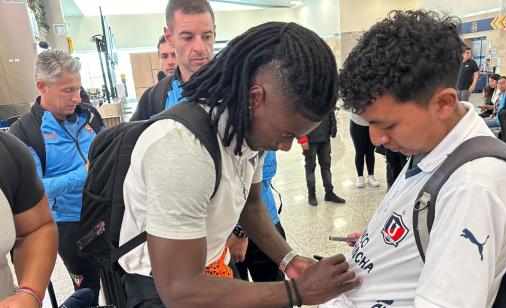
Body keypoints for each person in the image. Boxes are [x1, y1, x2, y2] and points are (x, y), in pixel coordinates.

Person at [119, 21, 361, 307]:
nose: (285, 147)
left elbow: (250, 203)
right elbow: (179, 289)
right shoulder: (182, 149)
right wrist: (297, 293)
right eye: (286, 134)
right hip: (159, 290)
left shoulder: (246, 129)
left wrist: (289, 260)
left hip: (211, 266)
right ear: (254, 98)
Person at [324, 10, 506, 307]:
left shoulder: (473, 187)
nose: (376, 139)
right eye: (370, 125)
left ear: (443, 103)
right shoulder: (432, 143)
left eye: (387, 125)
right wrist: (386, 238)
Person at [9, 50, 104, 306]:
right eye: (67, 90)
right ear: (43, 87)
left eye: (78, 88)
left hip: (106, 211)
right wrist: (83, 174)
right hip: (69, 225)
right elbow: (37, 189)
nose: (76, 97)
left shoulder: (90, 115)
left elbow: (107, 148)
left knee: (123, 275)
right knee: (88, 290)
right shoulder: (26, 133)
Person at [130, 0, 215, 121]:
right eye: (188, 38)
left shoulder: (237, 89)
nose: (200, 48)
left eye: (207, 36)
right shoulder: (155, 98)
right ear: (169, 37)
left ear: (215, 33)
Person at [0, 132, 57, 307]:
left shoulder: (6, 152)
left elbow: (36, 227)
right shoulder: (28, 128)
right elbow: (51, 185)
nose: (77, 101)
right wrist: (82, 173)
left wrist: (30, 293)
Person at [233, 151, 287, 282]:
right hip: (224, 231)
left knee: (275, 292)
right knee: (236, 292)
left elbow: (261, 177)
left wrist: (241, 233)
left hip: (258, 225)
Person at [298, 111, 345, 206]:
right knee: (310, 168)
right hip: (310, 140)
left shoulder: (325, 96)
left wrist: (333, 127)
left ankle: (329, 193)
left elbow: (330, 111)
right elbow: (298, 118)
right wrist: (302, 139)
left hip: (325, 138)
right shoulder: (304, 97)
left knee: (326, 166)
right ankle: (311, 194)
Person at [349, 111, 380, 189]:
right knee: (360, 151)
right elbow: (345, 105)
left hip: (372, 123)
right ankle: (360, 177)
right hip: (357, 123)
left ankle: (371, 176)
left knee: (370, 151)